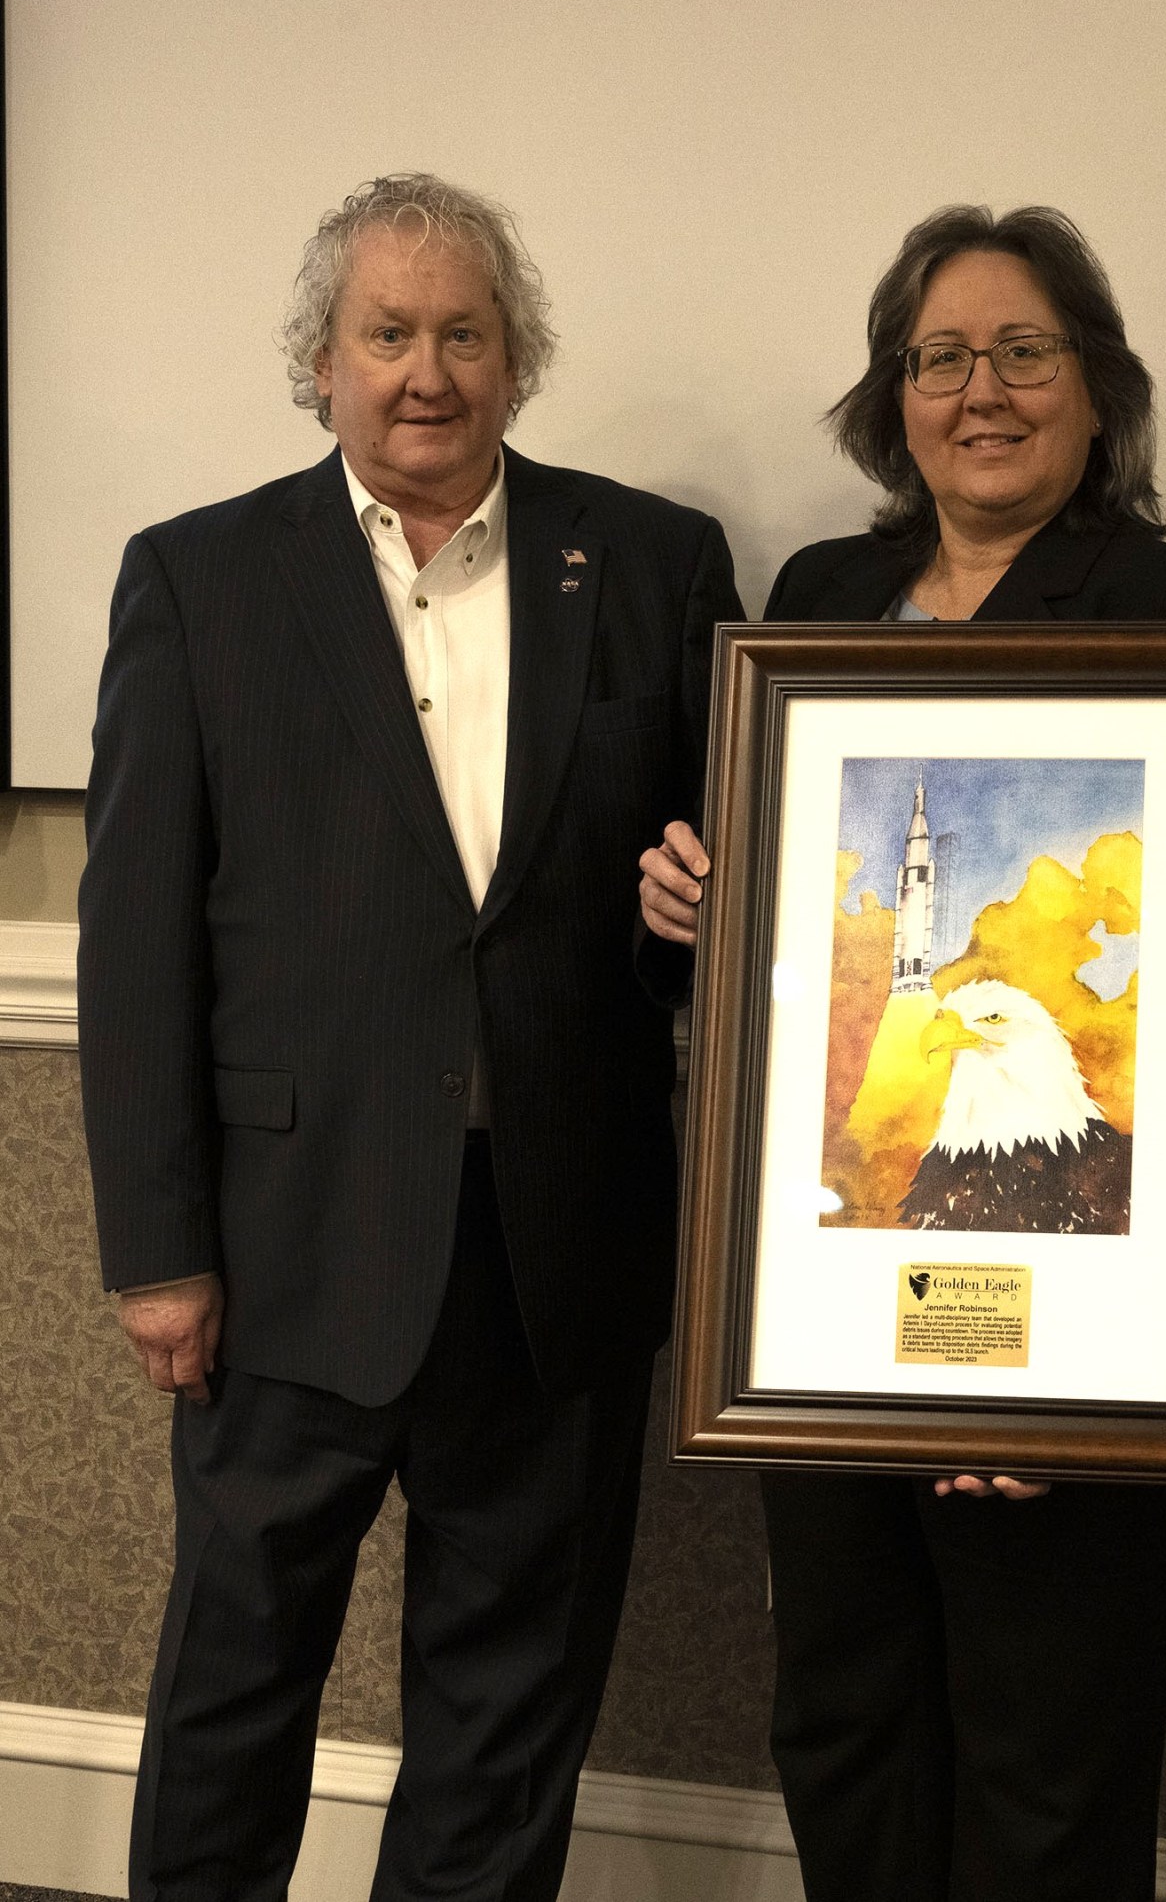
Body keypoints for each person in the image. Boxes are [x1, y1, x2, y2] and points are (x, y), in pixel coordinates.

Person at [78, 171, 741, 1900]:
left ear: (520, 360)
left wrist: (701, 916)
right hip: (284, 1258)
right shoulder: (199, 578)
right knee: (234, 1694)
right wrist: (159, 1254)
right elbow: (137, 942)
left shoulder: (657, 564)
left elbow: (702, 915)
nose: (426, 370)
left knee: (506, 1718)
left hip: (551, 1254)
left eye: (465, 332)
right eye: (388, 333)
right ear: (319, 361)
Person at [640, 204, 1166, 1902]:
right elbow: (771, 963)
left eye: (1024, 351)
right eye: (940, 357)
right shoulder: (818, 601)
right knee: (845, 1723)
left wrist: (1095, 1372)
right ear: (892, 396)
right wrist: (693, 895)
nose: (981, 390)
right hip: (831, 1318)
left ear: (1097, 385)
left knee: (1046, 1769)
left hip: (1077, 1358)